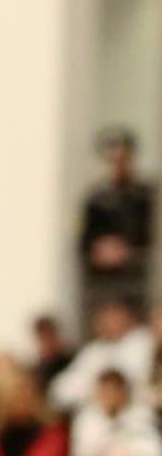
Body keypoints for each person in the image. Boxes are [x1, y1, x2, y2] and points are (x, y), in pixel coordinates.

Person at [80, 130, 155, 318]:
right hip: (103, 281)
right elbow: (85, 242)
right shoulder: (96, 199)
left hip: (135, 279)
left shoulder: (145, 196)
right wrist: (101, 250)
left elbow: (149, 235)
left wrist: (128, 250)